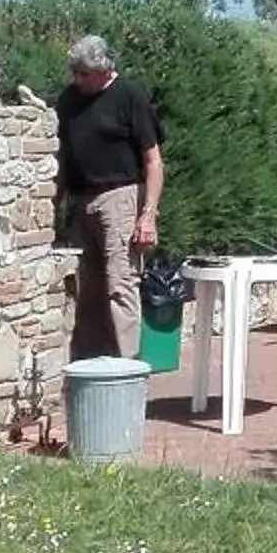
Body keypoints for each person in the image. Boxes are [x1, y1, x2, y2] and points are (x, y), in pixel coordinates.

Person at [55, 34, 163, 359]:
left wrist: (148, 214)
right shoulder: (69, 99)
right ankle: (90, 369)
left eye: (84, 74)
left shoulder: (128, 96)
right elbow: (61, 155)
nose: (78, 80)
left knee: (120, 284)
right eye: (75, 73)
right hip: (81, 201)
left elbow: (153, 160)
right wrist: (56, 203)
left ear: (104, 70)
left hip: (120, 199)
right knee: (86, 290)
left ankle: (126, 369)